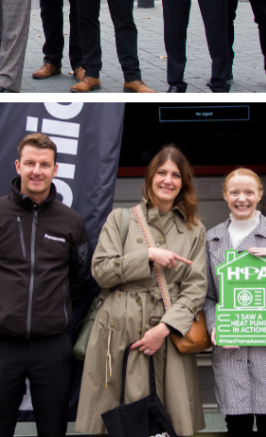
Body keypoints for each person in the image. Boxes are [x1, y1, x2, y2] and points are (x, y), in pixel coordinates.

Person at [0, 133, 89, 437]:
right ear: (18, 165)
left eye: (44, 164)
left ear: (56, 170)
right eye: (30, 163)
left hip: (53, 345)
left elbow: (80, 277)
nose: (37, 170)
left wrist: (57, 308)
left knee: (53, 428)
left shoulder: (71, 222)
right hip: (1, 345)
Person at [77, 146, 207, 437]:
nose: (168, 180)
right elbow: (100, 272)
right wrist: (146, 256)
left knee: (167, 420)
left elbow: (196, 289)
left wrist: (163, 329)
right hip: (117, 332)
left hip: (168, 335)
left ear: (183, 184)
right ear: (149, 178)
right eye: (161, 172)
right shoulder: (120, 219)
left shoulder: (194, 229)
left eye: (175, 175)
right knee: (114, 419)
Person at [204, 170, 266, 437]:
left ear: (260, 194)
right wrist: (214, 326)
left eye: (249, 192)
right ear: (225, 195)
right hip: (230, 344)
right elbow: (208, 295)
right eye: (235, 192)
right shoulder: (212, 239)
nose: (242, 198)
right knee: (236, 426)